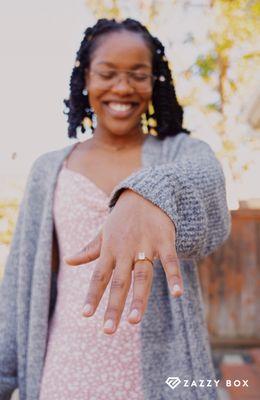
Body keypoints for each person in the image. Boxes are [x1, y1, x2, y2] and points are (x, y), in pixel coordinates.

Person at [0, 18, 231, 400]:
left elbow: (208, 188)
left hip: (162, 377)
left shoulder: (179, 154)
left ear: (154, 82)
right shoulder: (49, 168)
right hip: (66, 369)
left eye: (138, 75)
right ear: (86, 79)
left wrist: (148, 194)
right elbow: (20, 282)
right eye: (108, 73)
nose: (122, 87)